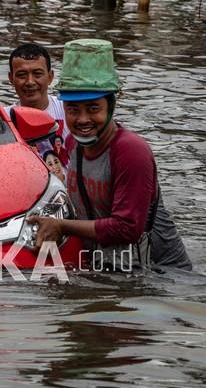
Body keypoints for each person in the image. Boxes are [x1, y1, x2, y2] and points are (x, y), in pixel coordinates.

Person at [27, 39, 191, 271]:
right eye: (73, 110)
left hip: (158, 273)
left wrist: (61, 226)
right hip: (107, 264)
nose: (83, 120)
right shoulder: (74, 144)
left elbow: (126, 228)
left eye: (93, 108)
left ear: (111, 106)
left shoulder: (131, 151)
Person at [6, 43, 70, 161]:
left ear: (50, 77)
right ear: (11, 78)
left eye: (37, 74)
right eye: (22, 75)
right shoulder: (4, 119)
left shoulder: (68, 109)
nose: (30, 82)